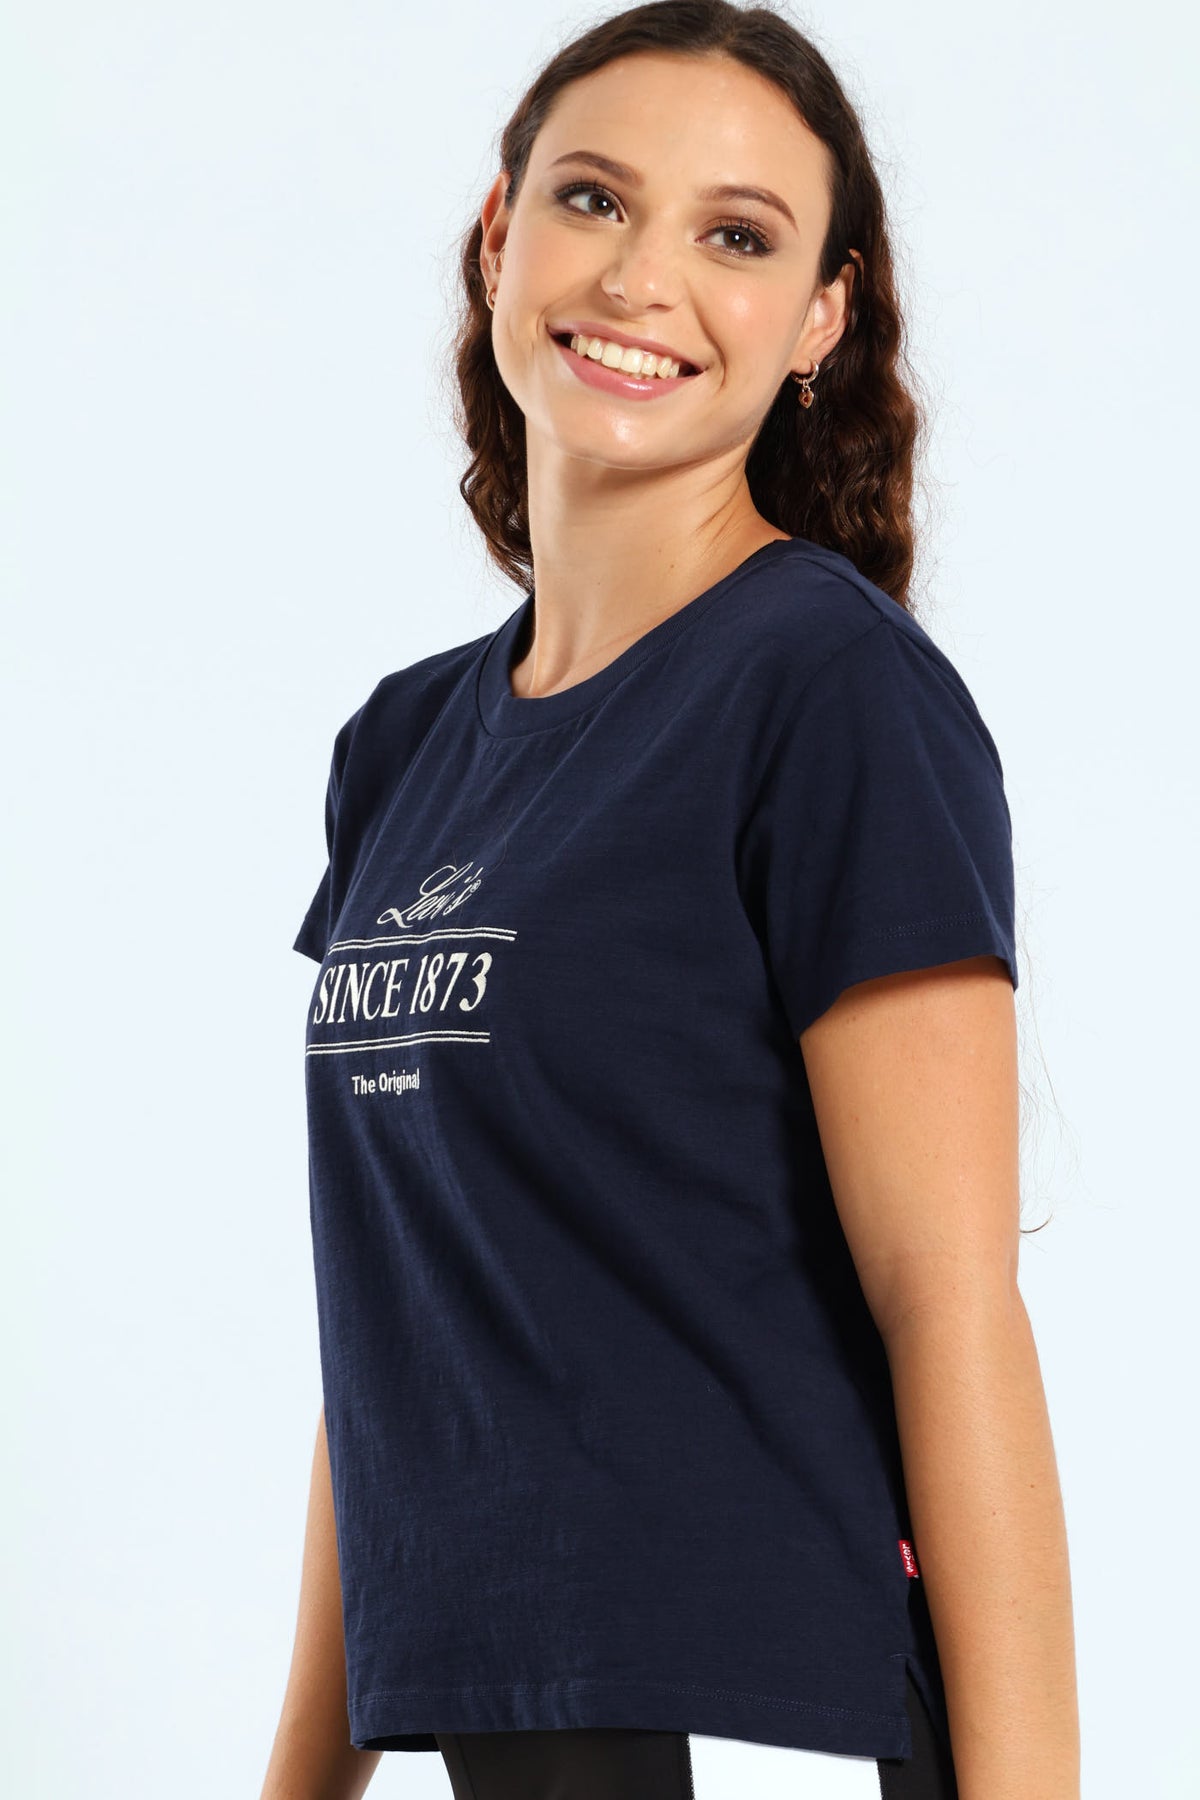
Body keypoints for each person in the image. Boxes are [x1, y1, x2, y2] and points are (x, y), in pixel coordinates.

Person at [259, 5, 1080, 1798]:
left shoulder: (827, 689)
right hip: (506, 1722)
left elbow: (949, 1302)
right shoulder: (402, 747)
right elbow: (396, 1337)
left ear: (821, 319)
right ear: (501, 232)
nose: (643, 279)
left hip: (759, 1709)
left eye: (737, 235)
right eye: (593, 199)